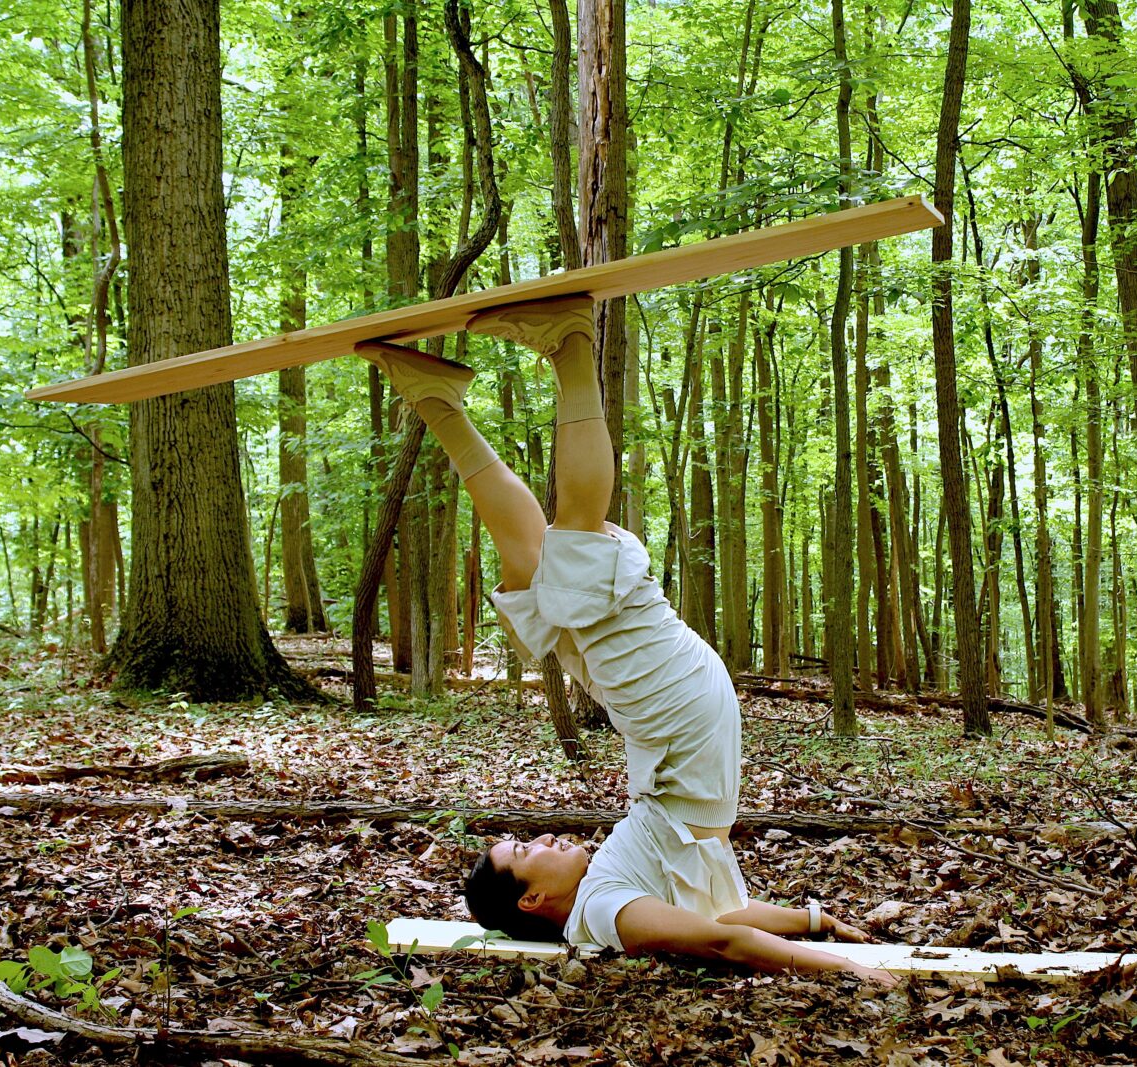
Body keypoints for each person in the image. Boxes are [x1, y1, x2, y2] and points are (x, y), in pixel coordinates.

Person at [364, 294, 892, 984]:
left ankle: (439, 402)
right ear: (533, 897)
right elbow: (722, 933)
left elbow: (719, 921)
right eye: (526, 847)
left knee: (531, 569)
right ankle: (571, 345)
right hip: (679, 720)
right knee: (577, 531)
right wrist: (832, 955)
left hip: (679, 727)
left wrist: (817, 924)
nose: (542, 833)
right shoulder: (610, 906)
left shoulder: (612, 887)